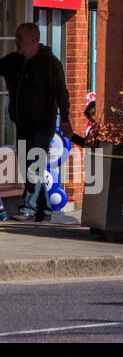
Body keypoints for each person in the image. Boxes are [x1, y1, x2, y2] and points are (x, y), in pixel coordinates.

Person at [0, 23, 75, 221]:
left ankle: (29, 207)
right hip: (23, 123)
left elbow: (61, 92)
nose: (16, 40)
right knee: (28, 165)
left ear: (33, 39)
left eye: (19, 36)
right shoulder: (14, 61)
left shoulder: (49, 63)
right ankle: (46, 208)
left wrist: (65, 118)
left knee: (34, 162)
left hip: (43, 123)